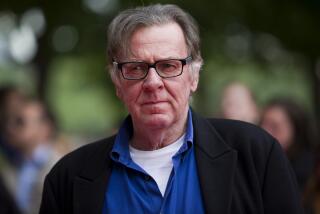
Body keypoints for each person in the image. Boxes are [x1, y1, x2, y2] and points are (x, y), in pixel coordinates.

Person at [40, 4, 303, 214]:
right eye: (136, 68)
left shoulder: (256, 154)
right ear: (117, 83)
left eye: (168, 66)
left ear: (194, 77)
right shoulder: (68, 178)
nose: (153, 83)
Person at [260, 98, 316, 193]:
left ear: (296, 129)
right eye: (262, 123)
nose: (264, 131)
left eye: (274, 126)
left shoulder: (312, 172)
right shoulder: (261, 163)